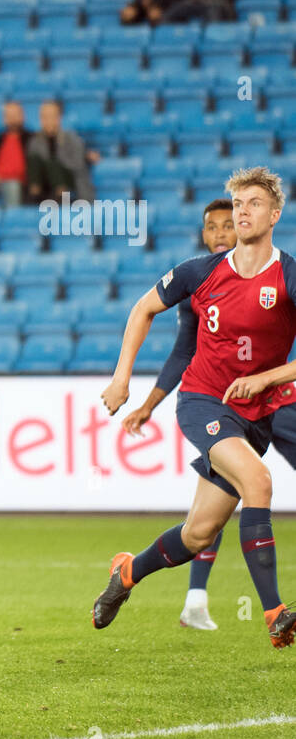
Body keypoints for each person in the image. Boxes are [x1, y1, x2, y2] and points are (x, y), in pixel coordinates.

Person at [98, 167, 296, 650]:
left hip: (260, 411)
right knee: (259, 482)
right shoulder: (200, 272)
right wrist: (123, 376)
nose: (243, 211)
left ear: (274, 214)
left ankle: (128, 571)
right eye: (238, 203)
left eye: (253, 203)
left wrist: (268, 377)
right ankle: (276, 613)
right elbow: (143, 308)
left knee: (200, 534)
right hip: (204, 400)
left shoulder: (289, 276)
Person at [119, 199, 236, 630]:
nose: (222, 233)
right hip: (212, 402)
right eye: (213, 227)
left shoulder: (273, 277)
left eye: (229, 225)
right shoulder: (198, 284)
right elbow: (184, 349)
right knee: (236, 482)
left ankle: (190, 596)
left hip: (264, 400)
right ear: (204, 235)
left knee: (216, 504)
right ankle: (206, 598)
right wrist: (148, 404)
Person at [26, 99, 98, 204]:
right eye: (44, 117)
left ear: (59, 118)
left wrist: (57, 166)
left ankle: (60, 199)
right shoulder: (35, 142)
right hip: (44, 188)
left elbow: (78, 166)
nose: (48, 121)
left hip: (69, 185)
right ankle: (34, 201)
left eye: (52, 116)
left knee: (54, 165)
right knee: (34, 160)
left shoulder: (72, 139)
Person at [0, 100, 30, 208]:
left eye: (15, 115)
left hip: (18, 183)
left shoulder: (31, 139)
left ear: (22, 117)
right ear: (4, 119)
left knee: (13, 185)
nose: (12, 119)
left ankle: (14, 220)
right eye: (9, 116)